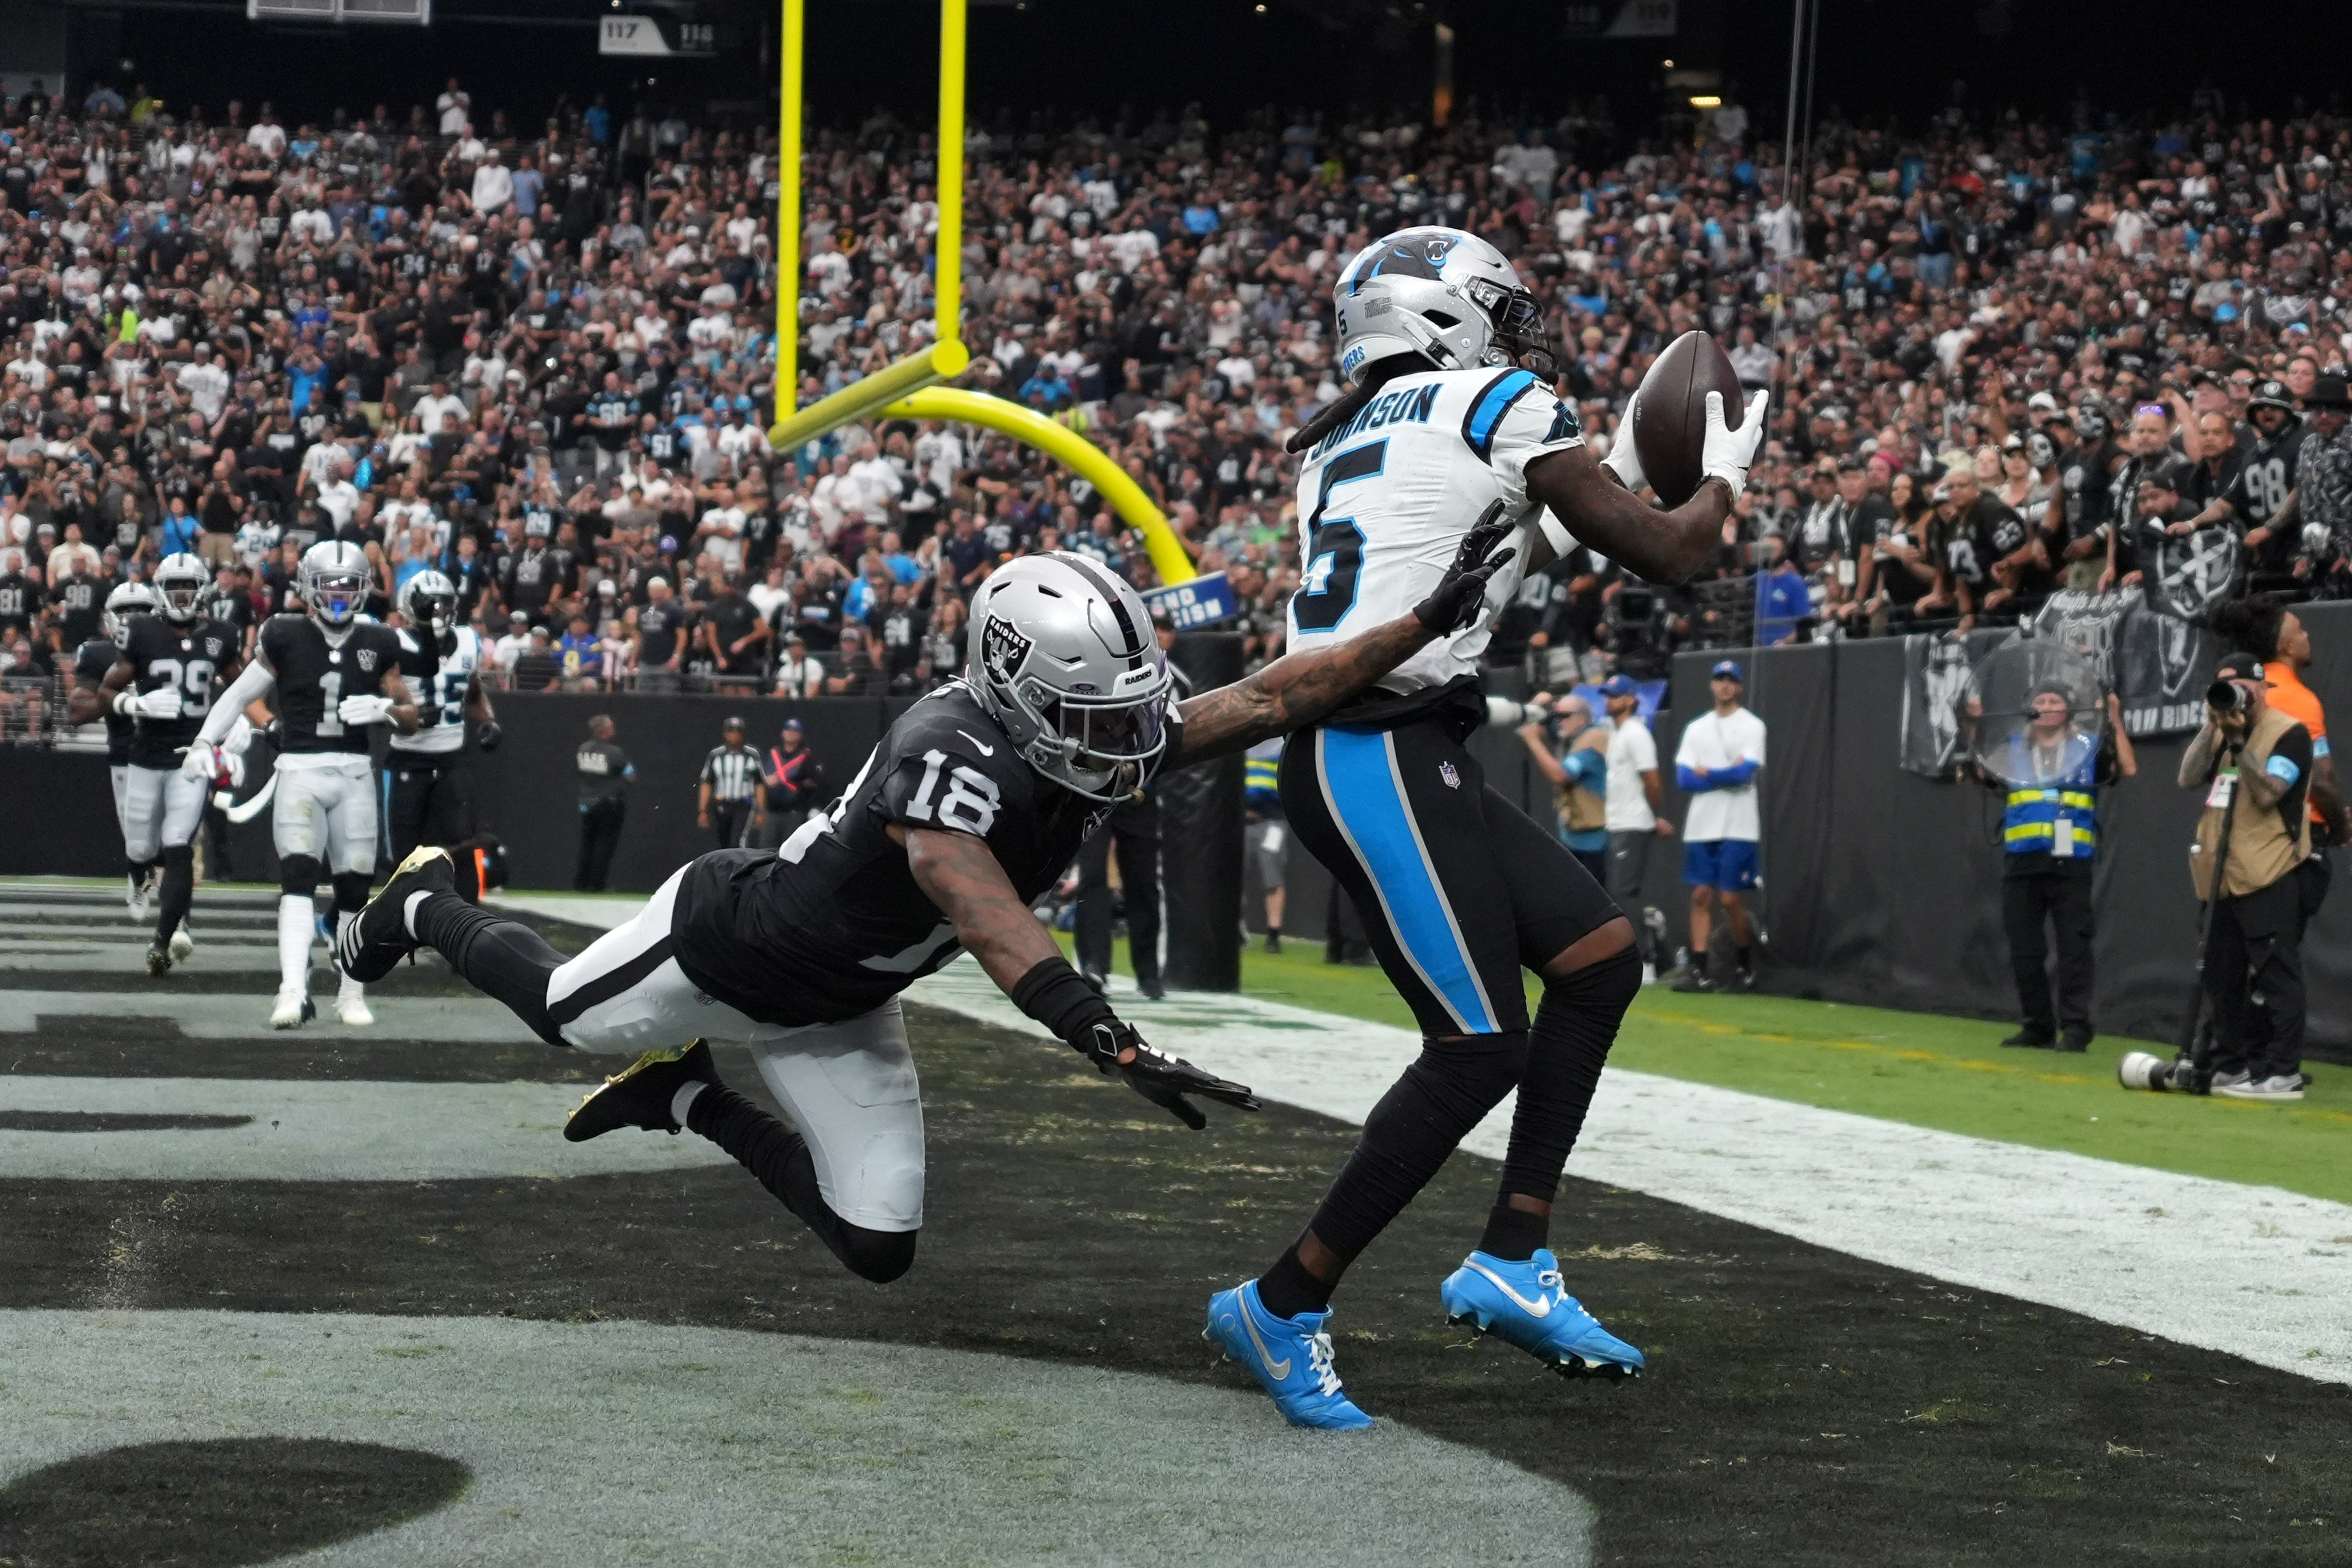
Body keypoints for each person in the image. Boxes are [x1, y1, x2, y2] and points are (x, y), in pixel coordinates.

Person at [332, 544, 1502, 1306]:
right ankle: (422, 901)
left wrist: (1414, 624)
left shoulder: (1079, 730)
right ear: (1015, 691)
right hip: (728, 945)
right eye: (1088, 716)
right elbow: (978, 906)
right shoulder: (947, 748)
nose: (1120, 741)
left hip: (842, 1004)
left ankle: (685, 1095)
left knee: (877, 1243)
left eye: (1121, 712)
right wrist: (1103, 1035)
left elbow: (1269, 695)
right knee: (559, 1013)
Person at [1207, 226, 1767, 1432]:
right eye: (1501, 316)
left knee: (1598, 955)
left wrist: (1615, 459)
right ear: (1448, 318)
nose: (1521, 341)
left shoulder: (1342, 436)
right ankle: (1281, 1301)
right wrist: (1720, 472)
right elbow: (1671, 554)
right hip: (1377, 750)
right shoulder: (1498, 401)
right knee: (1475, 1046)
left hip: (1385, 747)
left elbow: (1497, 552)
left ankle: (1513, 1253)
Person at [185, 540, 421, 1028]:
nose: (339, 596)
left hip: (355, 772)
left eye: (349, 586)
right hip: (300, 770)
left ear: (364, 589)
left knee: (355, 886)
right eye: (330, 585)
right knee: (297, 879)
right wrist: (204, 740)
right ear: (309, 588)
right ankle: (292, 988)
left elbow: (411, 716)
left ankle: (351, 993)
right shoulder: (284, 633)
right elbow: (240, 694)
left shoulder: (379, 639)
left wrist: (387, 710)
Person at [71, 555, 249, 975]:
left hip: (191, 755)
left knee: (178, 844)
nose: (182, 597)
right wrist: (134, 704)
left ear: (204, 592)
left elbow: (243, 687)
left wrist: (241, 722)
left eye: (190, 588)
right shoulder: (142, 634)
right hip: (145, 756)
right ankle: (139, 875)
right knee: (140, 848)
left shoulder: (221, 635)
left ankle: (164, 938)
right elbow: (104, 693)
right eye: (175, 588)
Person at [2178, 653, 2316, 1101]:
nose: (2236, 696)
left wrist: (2240, 744)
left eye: (2240, 686)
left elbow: (2268, 793)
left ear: (2260, 687)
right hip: (2222, 874)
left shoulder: (2290, 733)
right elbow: (2187, 778)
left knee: (2276, 976)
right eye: (2224, 688)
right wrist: (2211, 726)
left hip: (2269, 870)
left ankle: (2283, 1071)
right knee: (2222, 976)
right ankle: (2230, 1063)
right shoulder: (2221, 731)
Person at [1972, 685, 2135, 1051]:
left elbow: (2128, 767)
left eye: (2054, 701)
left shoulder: (2088, 747)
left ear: (2068, 711)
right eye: (2040, 702)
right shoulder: (2013, 748)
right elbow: (1981, 773)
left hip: (2070, 861)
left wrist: (2114, 719)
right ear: (2029, 710)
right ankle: (2037, 1026)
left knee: (2074, 948)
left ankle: (2076, 1028)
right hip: (2022, 860)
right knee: (2025, 949)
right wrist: (1975, 726)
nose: (2046, 707)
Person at [385, 571, 500, 869]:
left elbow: (473, 694)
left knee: (462, 842)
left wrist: (488, 721)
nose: (437, 611)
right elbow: (382, 707)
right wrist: (412, 718)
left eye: (443, 603)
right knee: (405, 851)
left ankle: (460, 899)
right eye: (428, 604)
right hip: (409, 758)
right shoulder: (394, 643)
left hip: (452, 758)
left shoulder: (468, 640)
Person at [1672, 660, 1766, 992]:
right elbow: (1684, 779)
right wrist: (1724, 775)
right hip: (1702, 824)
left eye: (1731, 680)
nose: (1725, 685)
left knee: (1729, 898)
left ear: (1739, 687)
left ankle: (1745, 964)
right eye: (1720, 679)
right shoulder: (1696, 728)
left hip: (1739, 823)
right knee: (1701, 895)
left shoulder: (1752, 726)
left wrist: (1707, 773)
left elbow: (1744, 774)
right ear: (1712, 685)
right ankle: (1700, 971)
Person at [77, 580, 159, 915]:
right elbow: (77, 712)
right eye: (125, 611)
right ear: (110, 617)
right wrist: (119, 699)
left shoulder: (171, 646)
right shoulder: (98, 653)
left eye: (141, 610)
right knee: (136, 836)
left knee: (172, 834)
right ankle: (140, 878)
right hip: (125, 752)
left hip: (166, 749)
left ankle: (176, 911)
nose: (133, 617)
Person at [1599, 674, 1672, 980]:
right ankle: (1635, 960)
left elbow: (1652, 780)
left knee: (1623, 894)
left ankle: (1646, 963)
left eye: (1615, 695)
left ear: (1631, 699)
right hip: (1619, 822)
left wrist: (1653, 815)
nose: (1609, 700)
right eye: (1607, 695)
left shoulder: (1636, 733)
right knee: (1618, 894)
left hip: (1632, 822)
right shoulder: (1617, 733)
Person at [1515, 693, 1609, 884]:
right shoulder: (1573, 735)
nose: (1560, 722)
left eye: (1565, 717)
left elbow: (1561, 776)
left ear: (1581, 719)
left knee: (1591, 897)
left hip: (1594, 842)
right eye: (1557, 717)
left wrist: (1533, 741)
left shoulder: (1594, 739)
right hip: (1573, 838)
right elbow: (1541, 726)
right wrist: (1538, 706)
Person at [575, 714, 633, 892]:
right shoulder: (615, 753)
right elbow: (630, 775)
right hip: (608, 803)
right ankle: (598, 884)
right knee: (604, 844)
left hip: (586, 803)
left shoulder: (583, 750)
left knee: (587, 843)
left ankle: (581, 883)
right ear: (605, 731)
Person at [1243, 736, 1286, 952]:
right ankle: (1237, 929)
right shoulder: (1241, 748)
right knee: (1236, 876)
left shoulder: (1282, 750)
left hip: (1273, 823)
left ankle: (1274, 934)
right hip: (1243, 824)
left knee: (1273, 876)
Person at [758, 717, 827, 849]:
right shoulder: (773, 754)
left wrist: (798, 785)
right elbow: (761, 779)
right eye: (788, 730)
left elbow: (816, 784)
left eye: (795, 731)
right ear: (783, 733)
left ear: (801, 735)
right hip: (772, 811)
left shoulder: (807, 757)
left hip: (795, 812)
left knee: (791, 849)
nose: (791, 733)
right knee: (766, 849)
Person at [699, 716, 765, 848]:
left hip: (744, 804)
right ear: (725, 734)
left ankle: (738, 861)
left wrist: (761, 811)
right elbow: (707, 783)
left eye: (738, 732)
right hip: (722, 804)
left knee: (739, 841)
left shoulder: (752, 755)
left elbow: (759, 784)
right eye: (731, 732)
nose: (735, 736)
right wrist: (703, 811)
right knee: (723, 842)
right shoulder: (716, 755)